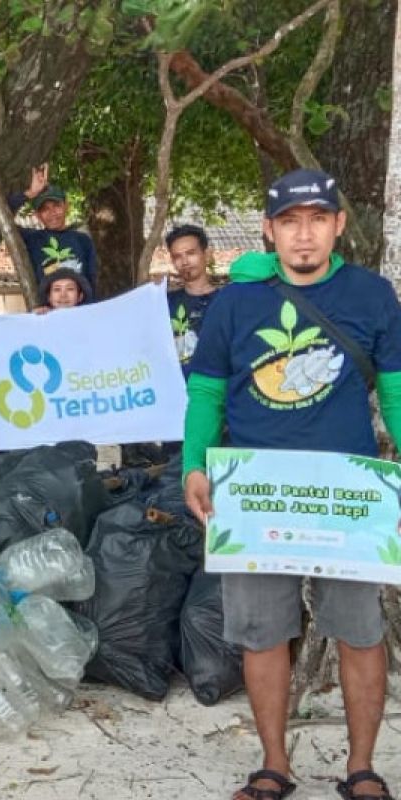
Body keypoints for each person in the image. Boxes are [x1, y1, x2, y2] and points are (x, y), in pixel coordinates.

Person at [183, 169, 401, 800]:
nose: (303, 236)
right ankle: (273, 764)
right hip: (253, 493)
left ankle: (361, 768)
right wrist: (193, 464)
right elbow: (206, 393)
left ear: (337, 225)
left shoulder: (372, 296)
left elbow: (392, 392)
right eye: (289, 222)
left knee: (361, 631)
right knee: (261, 633)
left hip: (349, 494)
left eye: (317, 220)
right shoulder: (233, 304)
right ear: (270, 231)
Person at [7, 163, 98, 295]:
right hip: (46, 313)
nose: (52, 213)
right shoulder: (32, 239)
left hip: (79, 312)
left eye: (56, 206)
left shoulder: (83, 241)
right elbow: (0, 217)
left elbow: (91, 281)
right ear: (37, 215)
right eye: (44, 209)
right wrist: (30, 194)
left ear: (67, 206)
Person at [165, 223, 220, 373]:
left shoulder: (227, 301)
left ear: (207, 254)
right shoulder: (164, 303)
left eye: (190, 253)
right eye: (177, 256)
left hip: (215, 389)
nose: (184, 262)